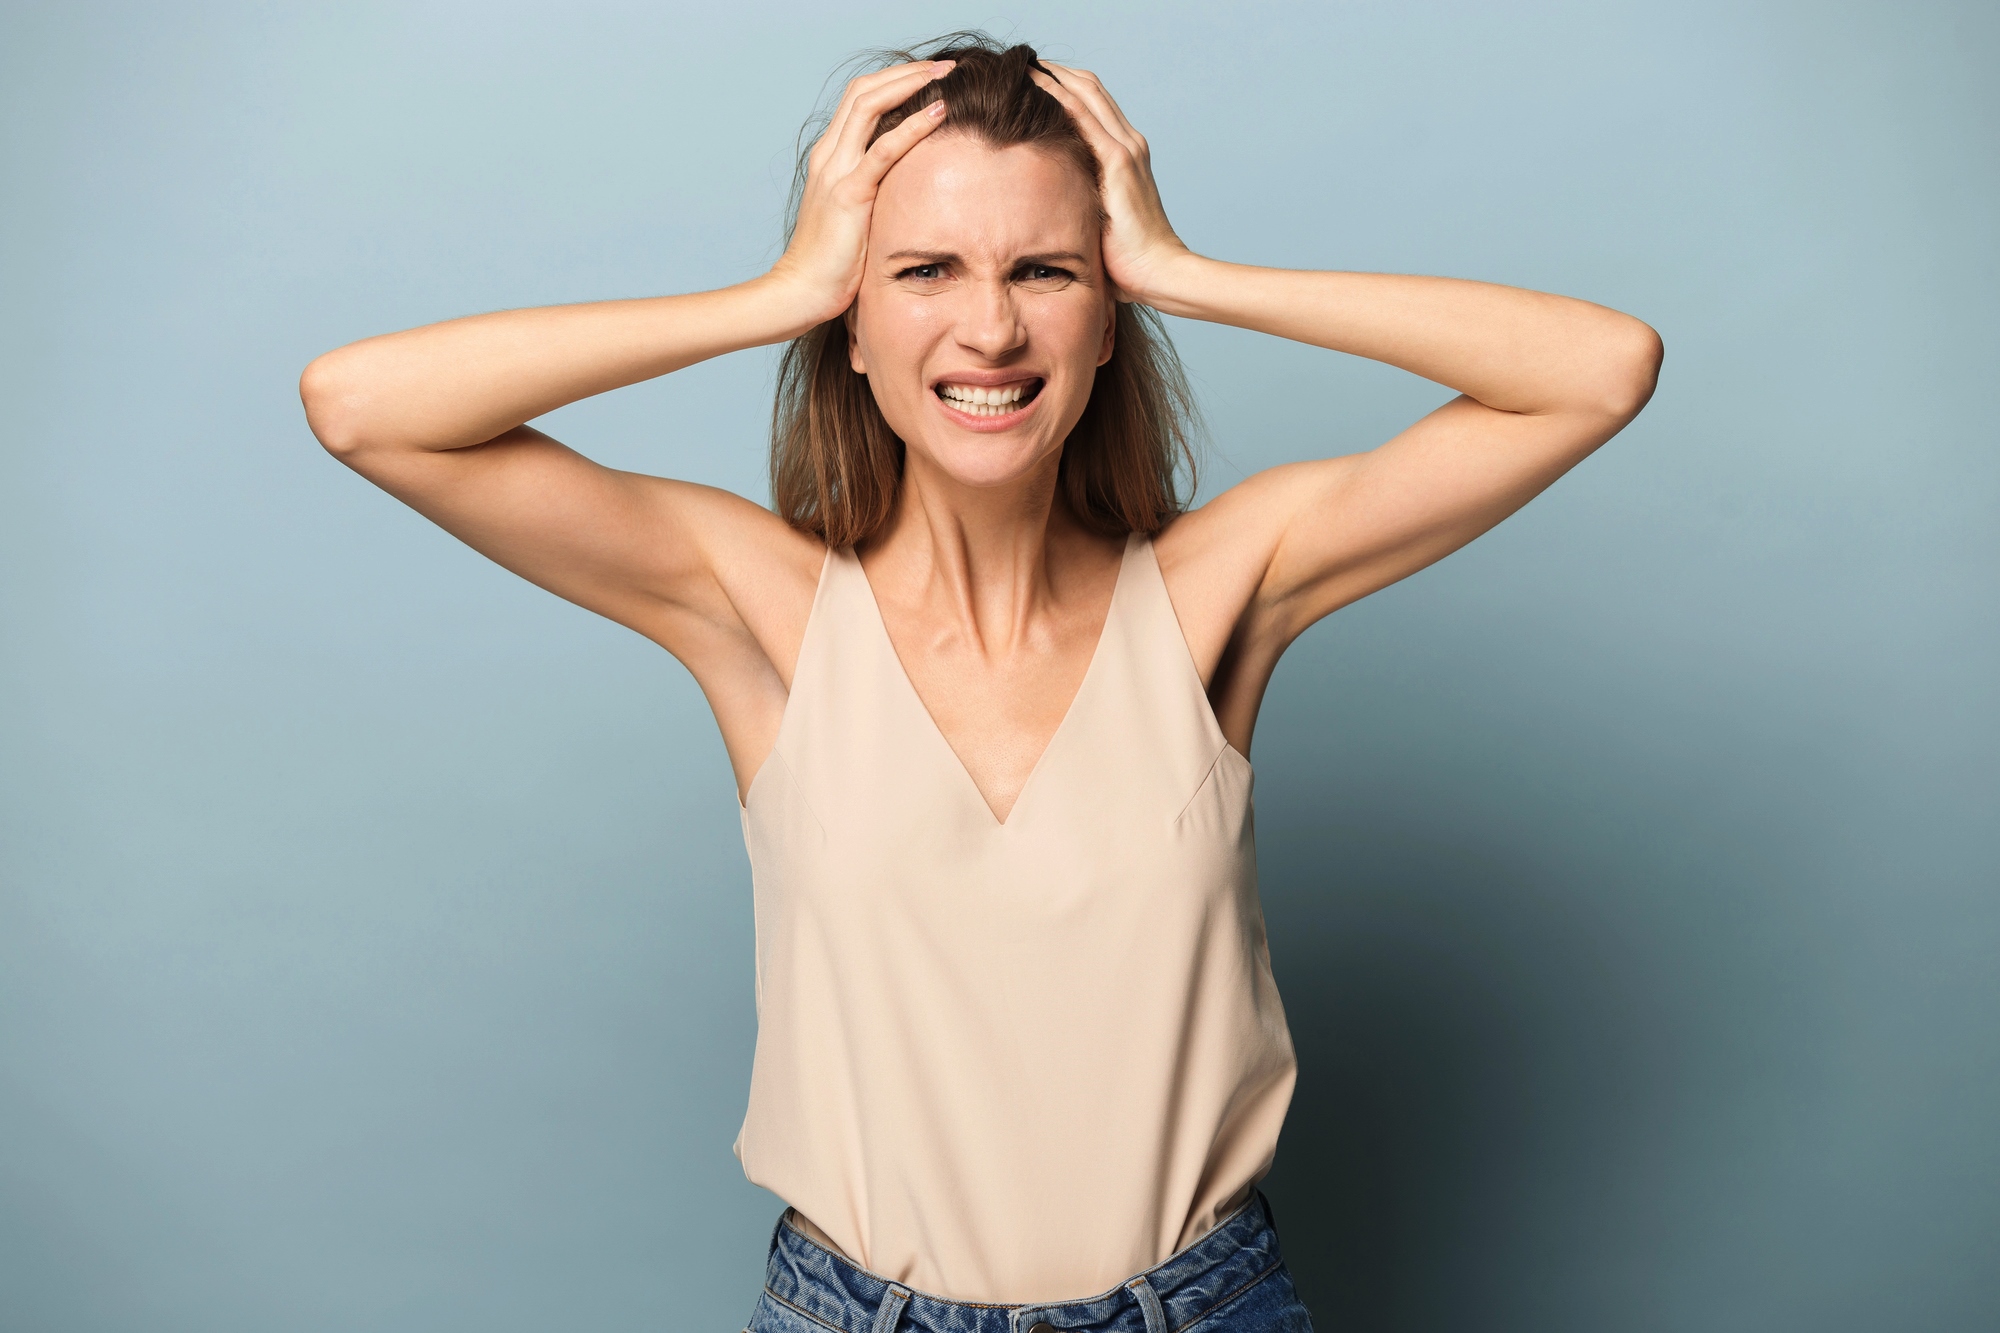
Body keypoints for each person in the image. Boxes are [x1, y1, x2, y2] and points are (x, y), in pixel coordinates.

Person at [299, 33, 1660, 1333]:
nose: (992, 327)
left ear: (1109, 314)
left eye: (1048, 272)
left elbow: (1600, 372)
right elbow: (363, 404)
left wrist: (1188, 271)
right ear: (855, 317)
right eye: (926, 271)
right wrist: (773, 295)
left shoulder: (1216, 592)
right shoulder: (762, 609)